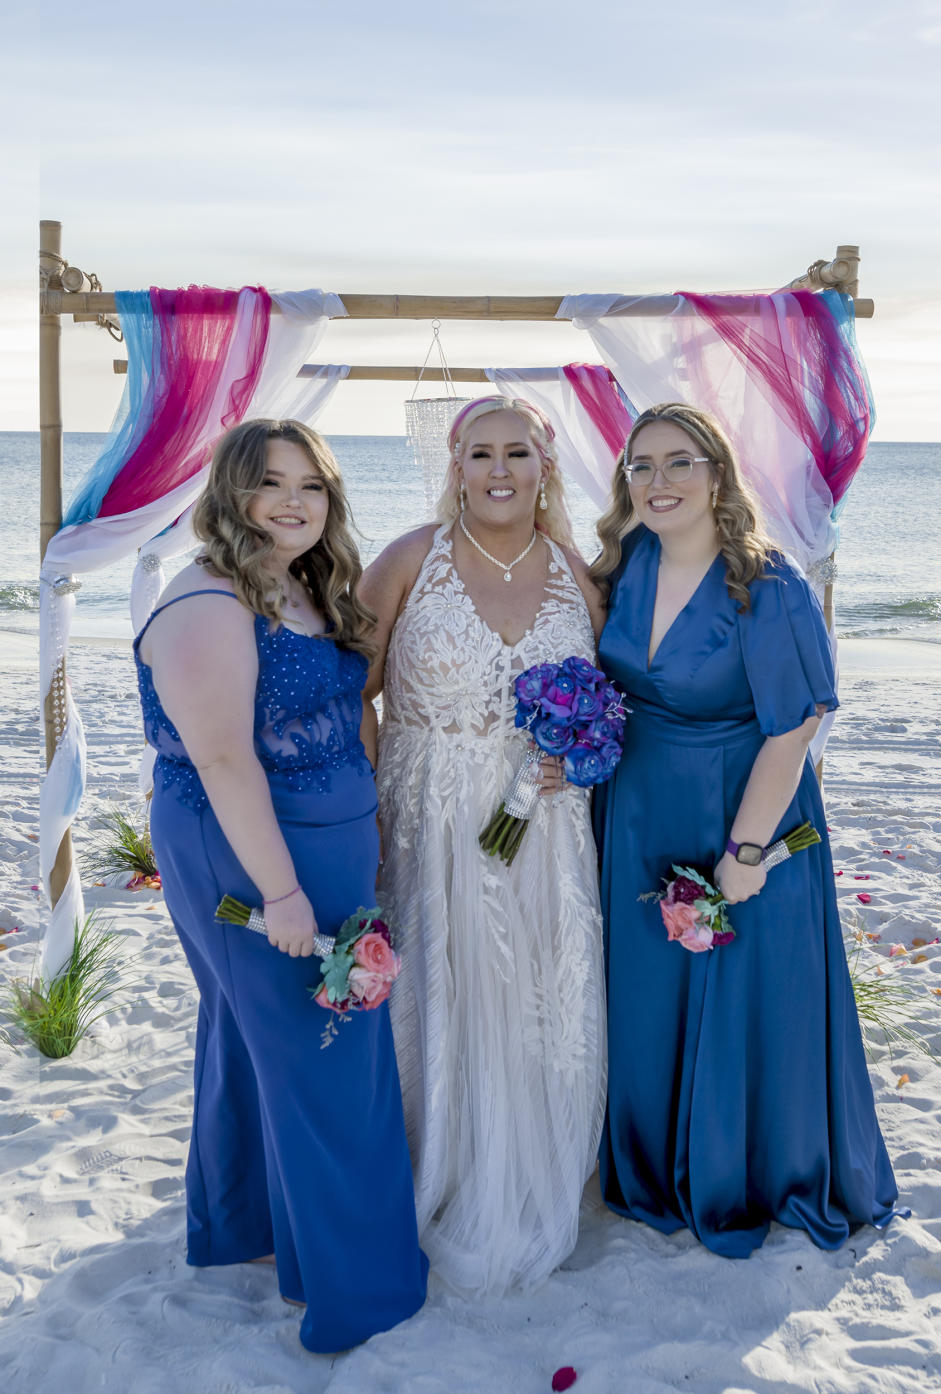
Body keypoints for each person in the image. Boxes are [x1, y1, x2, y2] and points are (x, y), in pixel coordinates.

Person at [133, 419, 428, 1353]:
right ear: (232, 494)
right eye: (270, 483)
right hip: (253, 859)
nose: (294, 501)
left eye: (312, 483)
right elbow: (222, 759)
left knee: (255, 1041)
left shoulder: (299, 586)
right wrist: (285, 895)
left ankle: (244, 1231)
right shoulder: (207, 602)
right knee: (328, 1056)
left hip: (324, 847)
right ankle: (357, 1287)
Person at [590, 401, 900, 1257]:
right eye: (641, 465)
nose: (658, 482)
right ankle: (654, 1163)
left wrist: (745, 853)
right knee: (650, 996)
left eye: (679, 462)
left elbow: (794, 726)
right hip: (640, 813)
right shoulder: (624, 565)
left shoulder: (766, 582)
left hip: (746, 814)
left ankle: (746, 1172)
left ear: (717, 473)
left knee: (743, 994)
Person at [359, 396, 607, 1296]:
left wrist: (573, 762)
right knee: (440, 981)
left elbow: (614, 703)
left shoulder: (577, 575)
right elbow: (353, 686)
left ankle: (527, 1164)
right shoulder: (407, 562)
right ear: (456, 465)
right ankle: (432, 1163)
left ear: (545, 466)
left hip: (540, 829)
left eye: (518, 452)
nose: (499, 470)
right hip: (426, 817)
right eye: (480, 453)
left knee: (529, 988)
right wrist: (371, 803)